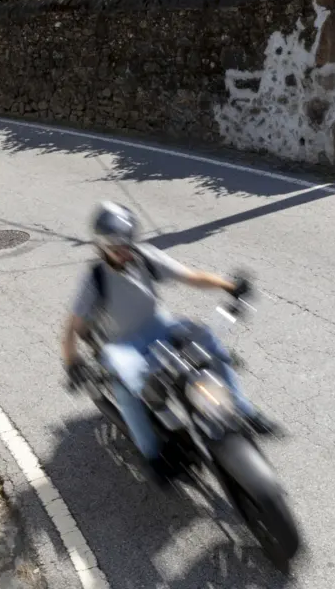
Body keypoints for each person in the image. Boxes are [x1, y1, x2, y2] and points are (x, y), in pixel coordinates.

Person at [61, 201, 276, 482]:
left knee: (210, 343)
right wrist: (72, 363)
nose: (125, 252)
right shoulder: (96, 278)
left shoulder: (145, 257)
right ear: (101, 246)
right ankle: (151, 454)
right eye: (116, 247)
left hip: (160, 326)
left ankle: (244, 410)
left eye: (128, 244)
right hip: (123, 345)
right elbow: (71, 329)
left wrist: (230, 286)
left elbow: (191, 277)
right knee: (127, 387)